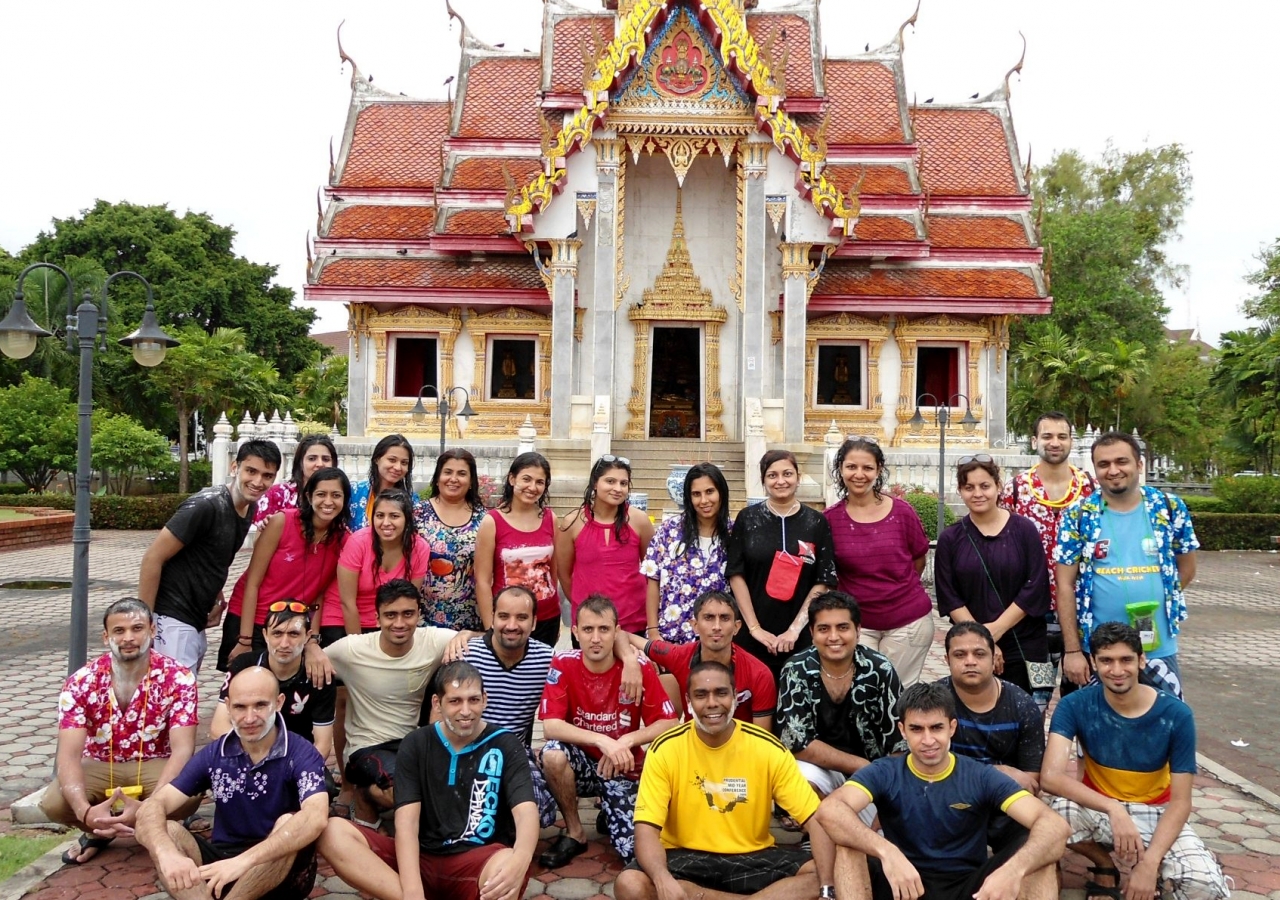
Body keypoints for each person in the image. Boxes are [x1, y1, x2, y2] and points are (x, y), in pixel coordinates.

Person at [817, 683, 1070, 900]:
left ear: (951, 727)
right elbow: (830, 811)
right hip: (904, 885)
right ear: (902, 730)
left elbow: (1055, 826)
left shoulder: (980, 775)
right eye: (917, 729)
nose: (928, 740)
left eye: (936, 728)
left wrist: (1013, 870)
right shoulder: (885, 771)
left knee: (1040, 858)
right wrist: (886, 851)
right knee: (848, 845)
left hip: (968, 888)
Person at [318, 661, 538, 900]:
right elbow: (407, 824)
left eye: (473, 700)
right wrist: (412, 892)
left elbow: (525, 812)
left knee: (509, 865)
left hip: (479, 861)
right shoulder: (417, 743)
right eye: (455, 701)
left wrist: (522, 859)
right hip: (420, 860)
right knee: (332, 832)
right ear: (437, 703)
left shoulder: (505, 743)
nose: (466, 711)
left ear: (484, 699)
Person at [1040, 623, 1229, 900]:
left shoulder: (1176, 714)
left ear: (1141, 660)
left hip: (1157, 813)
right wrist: (1113, 808)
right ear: (1093, 662)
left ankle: (1164, 870)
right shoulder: (1075, 705)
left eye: (1126, 659)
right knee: (1046, 818)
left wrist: (1149, 865)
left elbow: (1181, 802)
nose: (1117, 671)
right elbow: (1051, 777)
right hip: (1099, 808)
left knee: (1205, 887)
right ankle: (1105, 865)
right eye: (1106, 660)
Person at [616, 661, 835, 900]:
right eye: (701, 695)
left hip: (753, 857)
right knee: (630, 883)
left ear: (736, 698)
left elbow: (817, 821)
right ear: (688, 702)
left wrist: (826, 889)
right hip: (684, 857)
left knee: (827, 873)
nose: (712, 703)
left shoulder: (767, 747)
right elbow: (645, 830)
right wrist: (663, 880)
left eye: (721, 693)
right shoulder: (665, 748)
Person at [135, 667, 330, 900]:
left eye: (260, 705)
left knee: (288, 822)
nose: (249, 718)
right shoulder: (215, 754)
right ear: (227, 706)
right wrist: (165, 851)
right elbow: (154, 806)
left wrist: (244, 861)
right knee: (166, 830)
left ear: (278, 703)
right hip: (222, 863)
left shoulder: (301, 752)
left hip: (281, 871)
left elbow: (316, 817)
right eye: (239, 707)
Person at [41, 598, 199, 865]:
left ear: (152, 631)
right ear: (106, 637)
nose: (128, 638)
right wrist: (85, 812)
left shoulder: (179, 677)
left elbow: (183, 749)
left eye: (137, 629)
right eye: (119, 631)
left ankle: (154, 827)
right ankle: (99, 831)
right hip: (100, 763)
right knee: (54, 803)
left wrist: (152, 806)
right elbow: (68, 756)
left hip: (154, 762)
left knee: (191, 793)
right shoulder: (81, 682)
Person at [1055, 431, 1199, 699]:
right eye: (1103, 464)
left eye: (1122, 461)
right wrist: (1073, 651)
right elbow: (1064, 584)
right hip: (1099, 652)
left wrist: (1155, 591)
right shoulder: (1078, 516)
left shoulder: (1168, 508)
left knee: (1161, 725)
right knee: (1097, 732)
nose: (1113, 470)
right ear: (1095, 469)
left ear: (1139, 465)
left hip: (1156, 649)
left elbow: (1187, 568)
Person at [538, 594, 677, 867]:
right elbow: (551, 727)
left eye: (604, 629)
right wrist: (604, 741)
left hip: (622, 765)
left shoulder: (637, 668)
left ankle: (611, 811)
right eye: (588, 630)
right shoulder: (564, 663)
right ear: (575, 631)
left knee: (635, 856)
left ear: (616, 631)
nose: (596, 638)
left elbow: (669, 722)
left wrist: (626, 740)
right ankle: (575, 832)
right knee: (552, 754)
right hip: (581, 764)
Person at [138, 439, 282, 673]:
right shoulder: (206, 505)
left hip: (196, 618)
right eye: (251, 471)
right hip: (171, 616)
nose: (258, 482)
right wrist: (143, 622)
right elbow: (153, 558)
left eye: (267, 475)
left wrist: (217, 596)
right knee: (174, 700)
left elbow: (210, 556)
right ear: (234, 467)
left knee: (183, 697)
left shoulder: (249, 508)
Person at [317, 488, 429, 767]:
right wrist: (361, 653)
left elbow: (408, 600)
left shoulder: (419, 547)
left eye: (394, 516)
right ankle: (345, 778)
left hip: (388, 619)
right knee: (345, 699)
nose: (386, 522)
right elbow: (346, 601)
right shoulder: (359, 542)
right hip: (343, 619)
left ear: (407, 519)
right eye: (379, 515)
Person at [308, 579, 469, 765]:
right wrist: (310, 647)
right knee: (398, 788)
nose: (399, 623)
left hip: (409, 745)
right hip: (366, 747)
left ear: (419, 615)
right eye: (390, 615)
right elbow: (301, 663)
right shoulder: (352, 649)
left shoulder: (432, 641)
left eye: (407, 614)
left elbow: (488, 640)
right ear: (377, 618)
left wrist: (467, 634)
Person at [934, 455, 1051, 699]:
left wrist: (995, 630)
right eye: (969, 488)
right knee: (975, 719)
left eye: (985, 486)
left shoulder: (1025, 530)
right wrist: (981, 641)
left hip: (1026, 643)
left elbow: (1036, 585)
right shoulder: (950, 539)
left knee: (1030, 718)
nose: (978, 493)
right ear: (960, 491)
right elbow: (949, 595)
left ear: (998, 486)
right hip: (971, 649)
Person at [775, 592, 906, 804]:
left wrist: (885, 778)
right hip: (823, 769)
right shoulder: (796, 670)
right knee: (796, 779)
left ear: (858, 630)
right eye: (824, 629)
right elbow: (797, 743)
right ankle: (827, 826)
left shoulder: (880, 669)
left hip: (874, 771)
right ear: (811, 632)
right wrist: (860, 765)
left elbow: (900, 739)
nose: (833, 637)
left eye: (843, 627)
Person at [823, 437, 933, 686]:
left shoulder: (902, 513)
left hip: (908, 622)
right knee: (860, 694)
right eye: (851, 467)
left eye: (867, 468)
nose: (859, 474)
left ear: (879, 470)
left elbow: (918, 559)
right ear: (840, 469)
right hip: (857, 625)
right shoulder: (829, 520)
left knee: (897, 695)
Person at [220, 467, 351, 669]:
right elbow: (252, 583)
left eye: (336, 495)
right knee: (245, 692)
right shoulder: (283, 521)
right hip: (252, 619)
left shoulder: (343, 539)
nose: (328, 502)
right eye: (321, 494)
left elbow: (318, 593)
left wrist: (313, 638)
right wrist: (244, 640)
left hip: (292, 624)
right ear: (308, 496)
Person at [999, 411, 1097, 668]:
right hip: (1030, 610)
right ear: (1034, 441)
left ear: (1071, 441)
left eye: (1062, 436)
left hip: (1083, 607)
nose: (1055, 442)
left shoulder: (1090, 488)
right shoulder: (1016, 489)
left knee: (1080, 691)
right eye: (1047, 436)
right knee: (1034, 696)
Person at [728, 450, 837, 681]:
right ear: (764, 480)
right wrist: (755, 629)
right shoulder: (748, 519)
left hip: (802, 635)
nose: (780, 481)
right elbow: (736, 575)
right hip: (753, 632)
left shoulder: (816, 522)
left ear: (798, 477)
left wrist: (794, 630)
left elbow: (823, 580)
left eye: (787, 474)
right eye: (772, 475)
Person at [458, 584, 559, 827]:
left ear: (534, 623)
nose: (512, 625)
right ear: (491, 618)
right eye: (503, 616)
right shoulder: (466, 655)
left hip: (515, 754)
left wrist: (631, 659)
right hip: (469, 752)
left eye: (521, 617)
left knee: (539, 814)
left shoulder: (547, 659)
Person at [940, 621, 1044, 851]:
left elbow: (1029, 780)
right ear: (947, 660)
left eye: (979, 653)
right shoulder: (934, 702)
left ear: (994, 657)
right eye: (960, 654)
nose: (970, 661)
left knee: (1039, 850)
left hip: (1004, 802)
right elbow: (923, 769)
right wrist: (995, 771)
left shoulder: (1021, 704)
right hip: (947, 799)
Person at [632, 589, 777, 731]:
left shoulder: (759, 674)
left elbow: (762, 740)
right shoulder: (678, 655)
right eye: (709, 618)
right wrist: (629, 659)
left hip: (741, 751)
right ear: (695, 626)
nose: (716, 627)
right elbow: (623, 635)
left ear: (736, 627)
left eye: (725, 618)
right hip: (692, 747)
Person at [212, 602, 336, 764]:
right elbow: (218, 727)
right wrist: (258, 763)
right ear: (265, 635)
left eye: (293, 634)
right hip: (246, 757)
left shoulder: (319, 675)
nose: (284, 644)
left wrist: (288, 772)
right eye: (277, 633)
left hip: (296, 760)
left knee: (327, 788)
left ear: (307, 636)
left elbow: (323, 745)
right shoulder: (244, 665)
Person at [558, 455, 655, 638]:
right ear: (595, 483)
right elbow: (564, 574)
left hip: (633, 624)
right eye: (610, 481)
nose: (617, 489)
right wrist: (586, 608)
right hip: (589, 627)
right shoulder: (572, 523)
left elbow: (652, 572)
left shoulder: (639, 521)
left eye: (623, 483)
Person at [474, 452, 561, 646]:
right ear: (512, 479)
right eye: (526, 479)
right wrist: (491, 627)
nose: (532, 487)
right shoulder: (492, 522)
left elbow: (553, 572)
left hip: (547, 617)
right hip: (508, 622)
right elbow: (482, 581)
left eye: (540, 482)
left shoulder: (550, 519)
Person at [641, 463, 733, 643]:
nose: (704, 500)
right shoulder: (669, 531)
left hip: (717, 642)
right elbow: (653, 580)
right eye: (696, 494)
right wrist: (653, 631)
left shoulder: (734, 534)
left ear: (721, 492)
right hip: (671, 636)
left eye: (709, 492)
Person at [414, 449, 488, 631]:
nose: (453, 479)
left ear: (471, 482)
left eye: (462, 474)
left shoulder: (484, 519)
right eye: (448, 472)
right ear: (437, 477)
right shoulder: (417, 514)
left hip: (469, 620)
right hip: (423, 618)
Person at [253, 434, 338, 526]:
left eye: (326, 459)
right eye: (312, 459)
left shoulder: (342, 497)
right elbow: (258, 535)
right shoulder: (276, 494)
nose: (320, 464)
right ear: (300, 462)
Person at [349, 434, 418, 531]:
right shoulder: (354, 493)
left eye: (404, 463)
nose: (398, 467)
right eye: (392, 460)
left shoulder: (413, 501)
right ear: (377, 459)